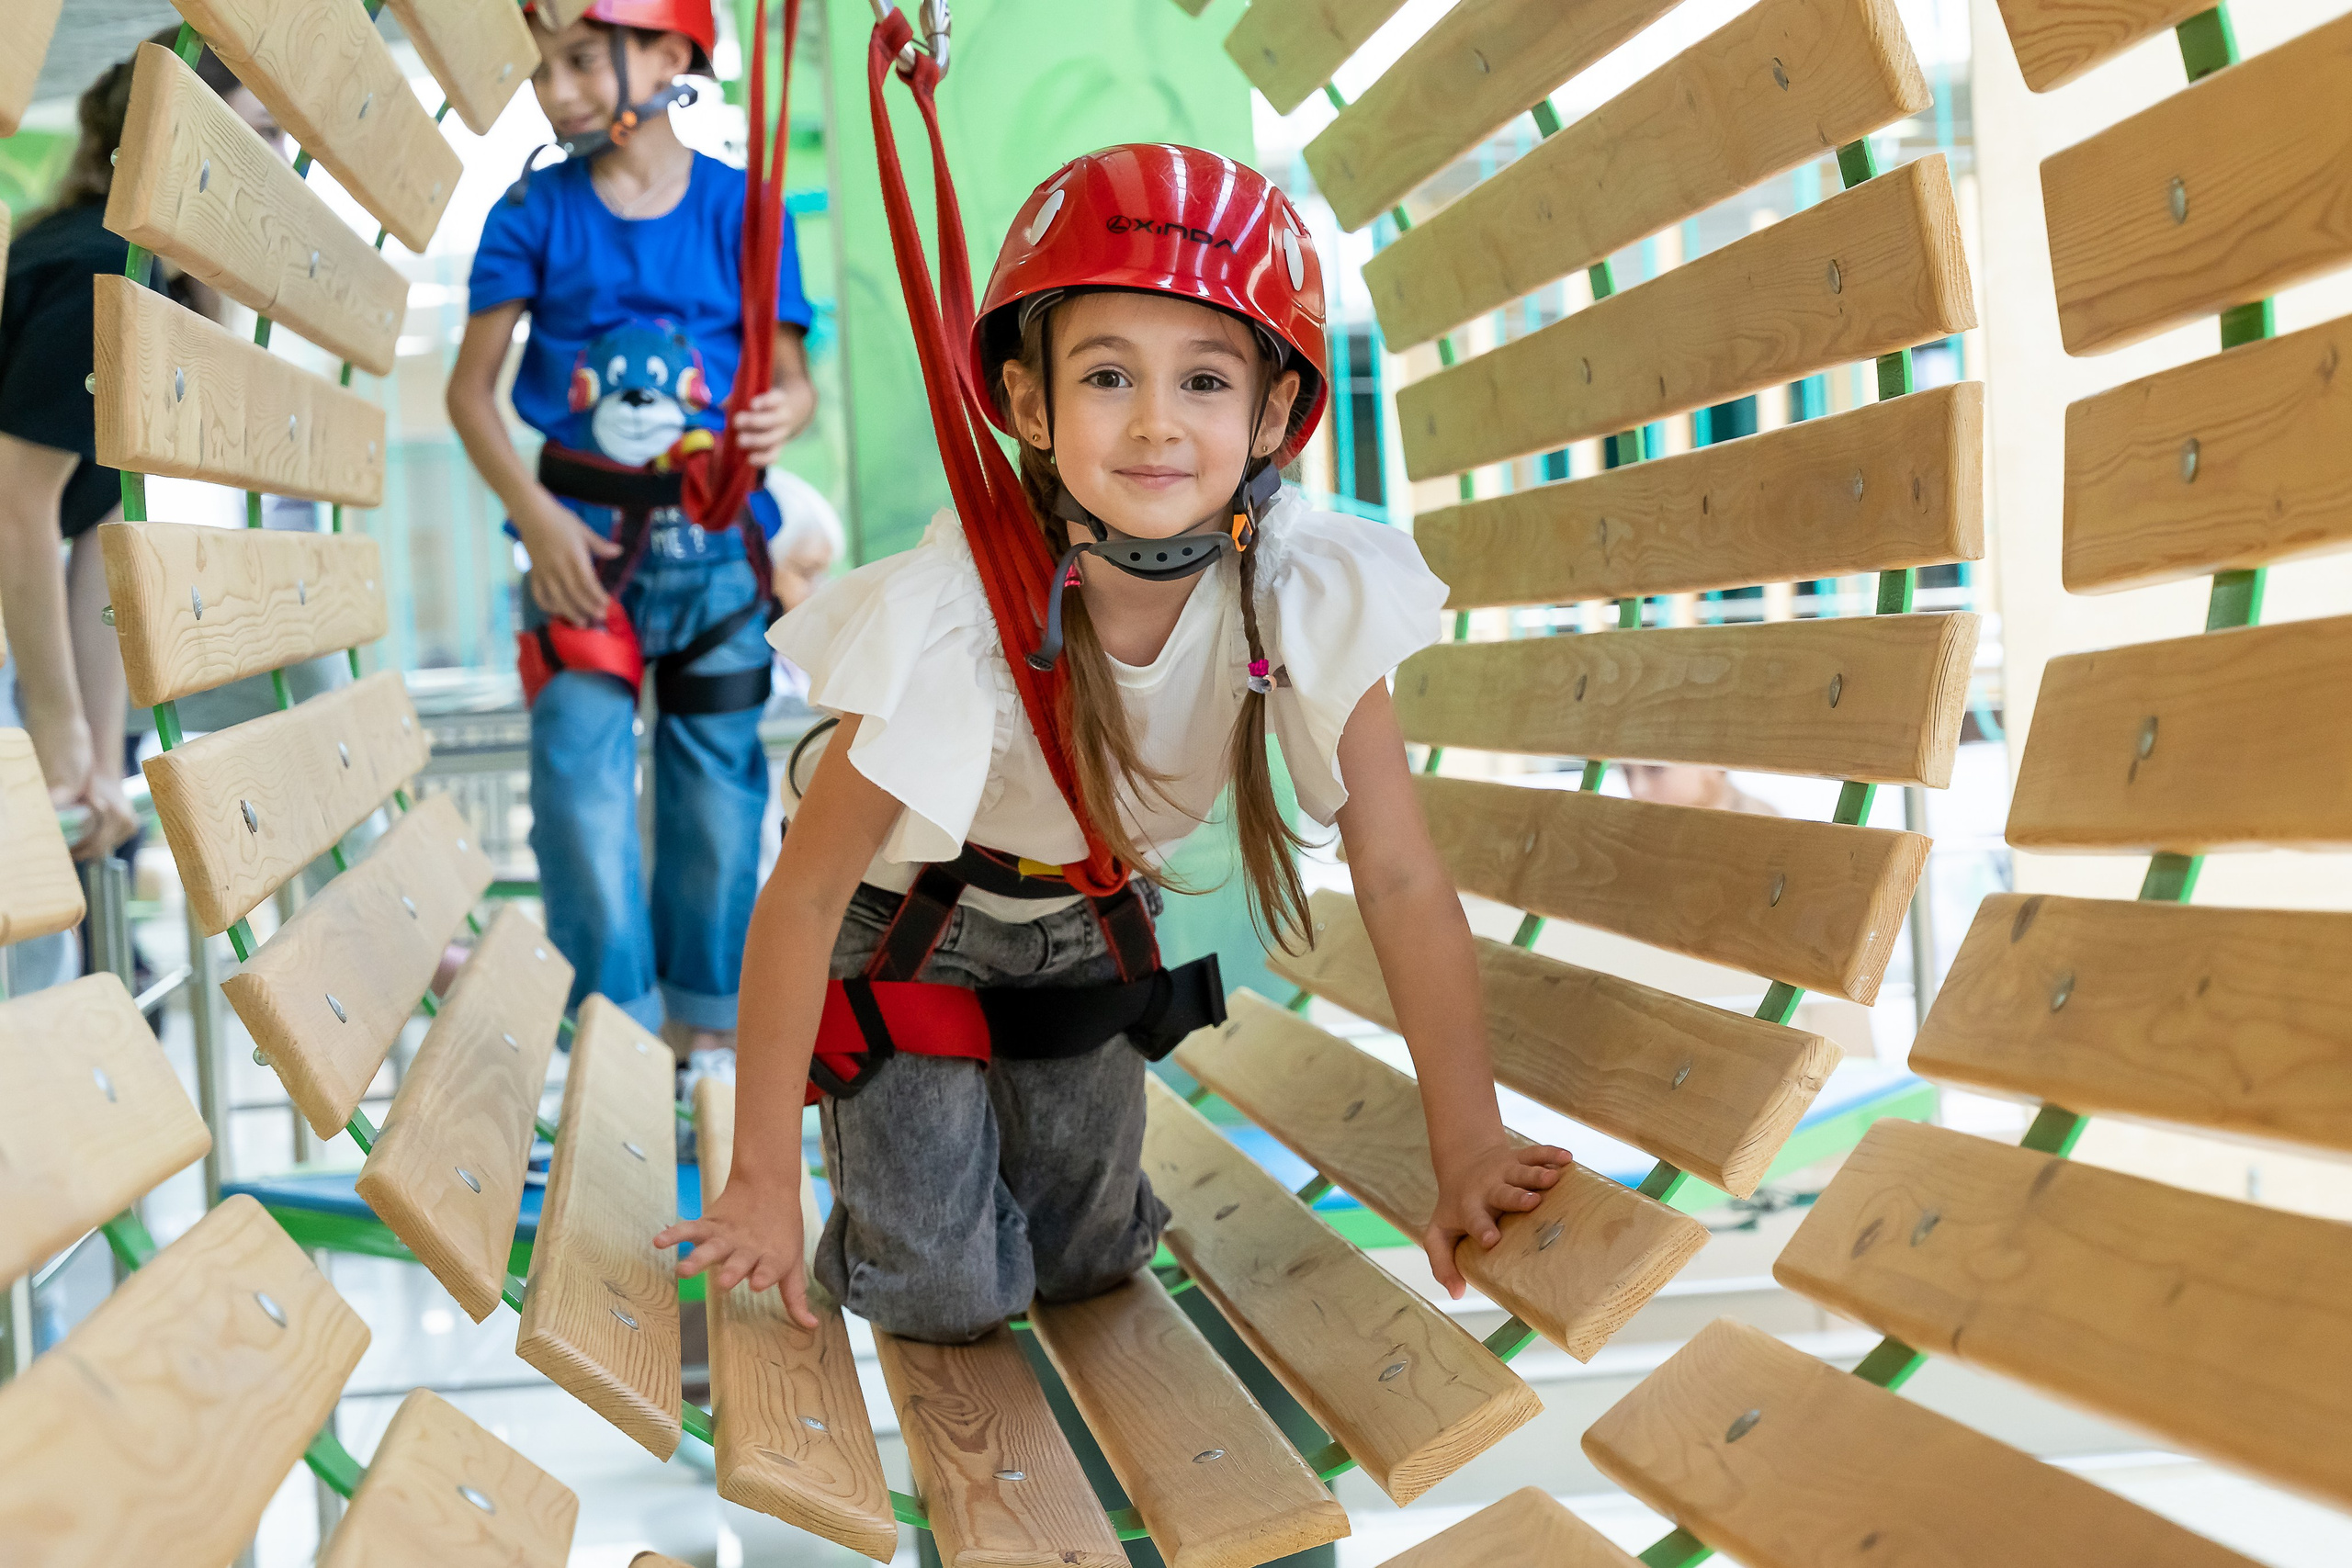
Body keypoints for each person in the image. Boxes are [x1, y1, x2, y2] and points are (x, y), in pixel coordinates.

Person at [657, 146, 1571, 1345]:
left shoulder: (1296, 588)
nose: (1155, 422)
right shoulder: (966, 609)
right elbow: (807, 892)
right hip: (911, 928)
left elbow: (1398, 872)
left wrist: (1470, 1141)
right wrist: (764, 1180)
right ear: (1031, 404)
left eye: (1203, 379)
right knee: (948, 1292)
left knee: (1087, 1261)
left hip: (1085, 926)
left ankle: (974, 1167)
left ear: (1275, 411)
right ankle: (883, 1202)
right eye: (1104, 375)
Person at [446, 0, 819, 1053]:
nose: (552, 90)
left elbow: (789, 379)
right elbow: (470, 396)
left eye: (574, 61)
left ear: (669, 55)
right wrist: (537, 521)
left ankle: (707, 1037)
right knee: (580, 799)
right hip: (580, 560)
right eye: (539, 70)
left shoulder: (749, 213)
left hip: (716, 559)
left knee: (715, 801)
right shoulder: (531, 213)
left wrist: (794, 406)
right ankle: (613, 1035)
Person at [0, 30, 280, 994]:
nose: (279, 171)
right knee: (33, 939)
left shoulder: (149, 287)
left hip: (27, 604)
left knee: (57, 913)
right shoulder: (99, 277)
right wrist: (54, 725)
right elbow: (15, 511)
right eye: (259, 140)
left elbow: (96, 533)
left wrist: (95, 746)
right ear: (184, 145)